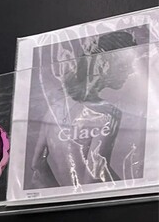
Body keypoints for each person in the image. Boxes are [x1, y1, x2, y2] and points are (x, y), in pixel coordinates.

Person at [29, 30, 138, 189]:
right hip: (99, 202)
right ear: (103, 64)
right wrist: (131, 189)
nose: (131, 71)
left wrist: (62, 195)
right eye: (125, 65)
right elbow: (94, 177)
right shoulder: (107, 114)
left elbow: (37, 165)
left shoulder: (53, 110)